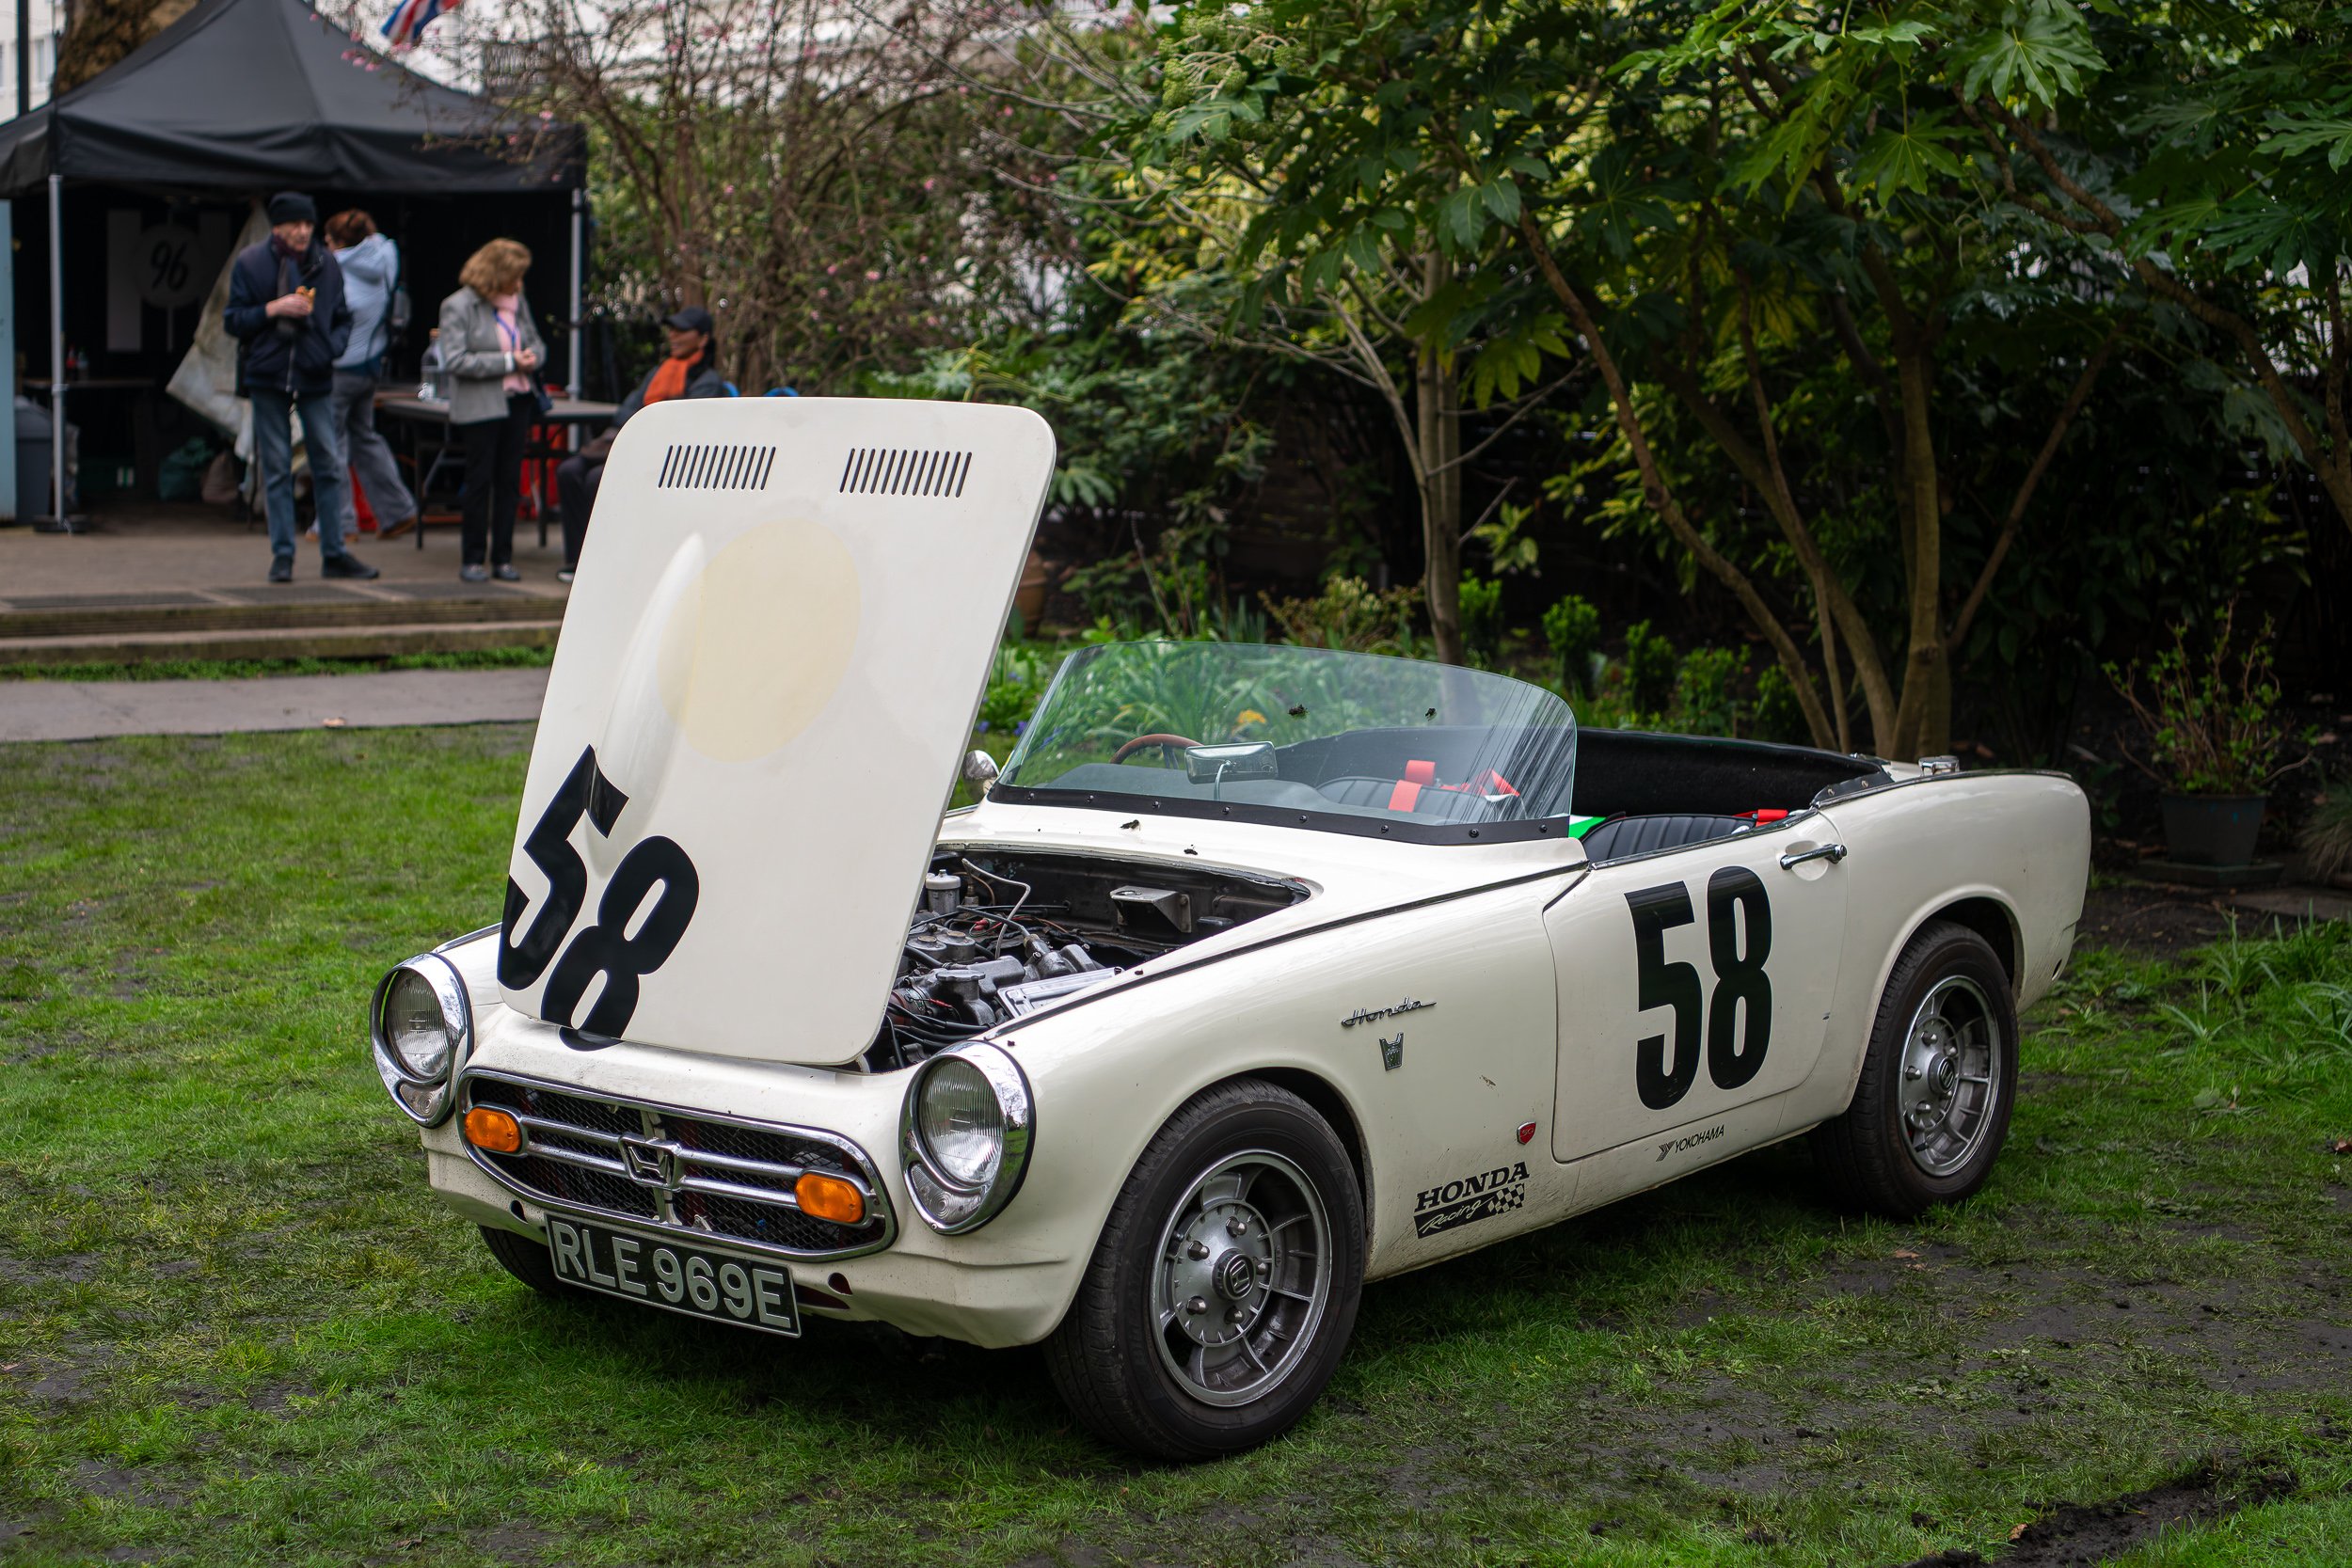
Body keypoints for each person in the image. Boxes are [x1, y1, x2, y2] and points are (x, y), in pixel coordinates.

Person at [223, 191, 379, 583]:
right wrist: (272, 309)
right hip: (268, 375)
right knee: (276, 468)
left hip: (315, 374)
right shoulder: (251, 262)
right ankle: (282, 556)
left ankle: (334, 552)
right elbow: (233, 320)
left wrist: (332, 346)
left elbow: (344, 317)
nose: (303, 231)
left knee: (328, 462)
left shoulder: (326, 265)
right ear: (277, 226)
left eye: (308, 225)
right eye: (295, 224)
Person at [553, 306, 725, 583]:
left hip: (667, 458)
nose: (674, 336)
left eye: (682, 331)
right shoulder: (660, 372)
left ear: (702, 339)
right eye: (672, 329)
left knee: (598, 478)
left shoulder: (708, 383)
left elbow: (686, 426)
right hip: (630, 444)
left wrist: (647, 424)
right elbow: (625, 411)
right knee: (569, 471)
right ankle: (577, 562)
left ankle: (605, 560)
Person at [437, 239, 547, 582]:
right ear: (496, 274)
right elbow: (455, 359)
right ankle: (472, 559)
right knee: (479, 481)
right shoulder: (458, 306)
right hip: (481, 405)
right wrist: (508, 361)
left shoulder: (517, 302)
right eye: (514, 276)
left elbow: (537, 343)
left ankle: (503, 558)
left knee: (509, 482)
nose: (519, 283)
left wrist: (533, 358)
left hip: (518, 400)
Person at [323, 209, 419, 540]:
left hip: (340, 368)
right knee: (364, 437)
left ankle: (338, 524)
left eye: (329, 239)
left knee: (332, 444)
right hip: (370, 366)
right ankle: (398, 512)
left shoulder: (336, 268)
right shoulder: (385, 256)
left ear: (337, 242)